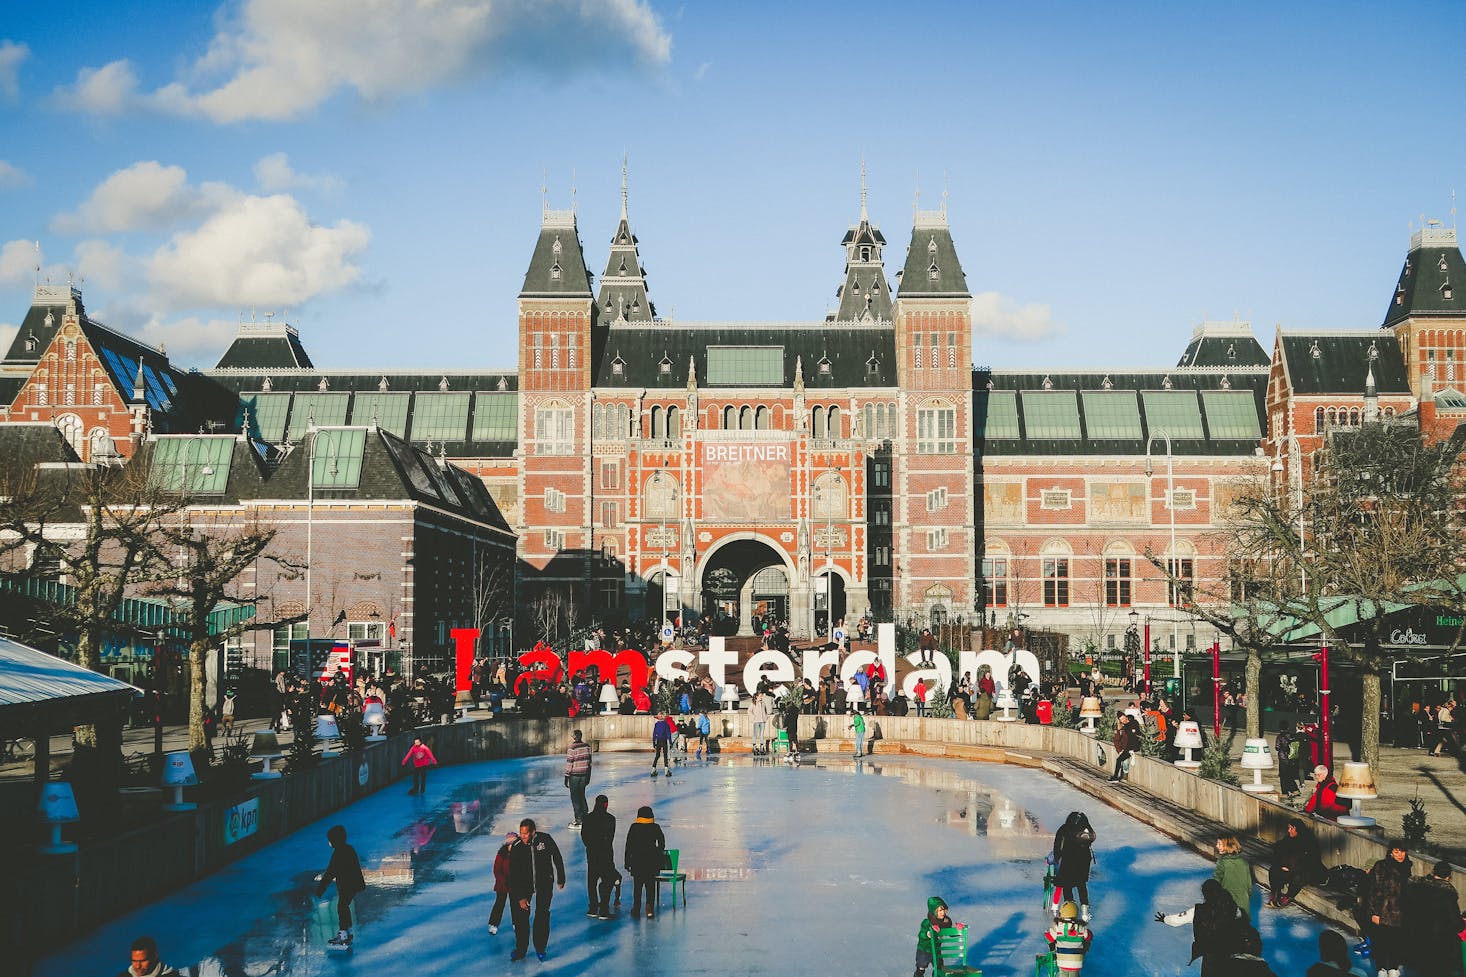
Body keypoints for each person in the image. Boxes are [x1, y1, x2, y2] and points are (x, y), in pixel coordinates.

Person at [1156, 878, 1246, 977]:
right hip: (1231, 952)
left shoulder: (1198, 911)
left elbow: (1176, 920)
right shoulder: (1233, 908)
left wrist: (1165, 919)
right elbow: (1241, 924)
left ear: (1205, 894)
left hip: (1211, 955)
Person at [506, 818, 565, 962]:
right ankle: (521, 949)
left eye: (526, 833)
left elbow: (557, 856)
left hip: (544, 883)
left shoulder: (545, 840)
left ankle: (540, 947)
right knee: (521, 919)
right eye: (521, 833)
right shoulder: (517, 846)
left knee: (542, 915)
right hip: (524, 886)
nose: (523, 836)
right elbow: (513, 875)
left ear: (533, 832)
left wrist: (561, 877)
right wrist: (520, 897)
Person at [1403, 860, 1464, 977]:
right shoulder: (1447, 894)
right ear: (1449, 876)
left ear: (1433, 872)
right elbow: (1457, 923)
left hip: (1417, 939)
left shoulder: (1416, 887)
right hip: (1439, 944)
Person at [1360, 842, 1412, 977]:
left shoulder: (1406, 867)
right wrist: (1374, 913)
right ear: (1390, 853)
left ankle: (1394, 967)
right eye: (1396, 852)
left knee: (1396, 941)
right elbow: (1373, 891)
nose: (1400, 855)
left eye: (1402, 851)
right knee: (1381, 941)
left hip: (1400, 912)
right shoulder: (1381, 866)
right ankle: (1381, 968)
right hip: (1383, 911)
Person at [316, 824, 365, 948]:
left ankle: (343, 935)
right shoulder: (349, 848)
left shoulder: (338, 853)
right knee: (344, 906)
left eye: (330, 840)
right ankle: (347, 932)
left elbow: (330, 872)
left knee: (341, 907)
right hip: (353, 884)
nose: (329, 843)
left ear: (334, 841)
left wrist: (321, 889)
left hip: (347, 885)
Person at [1051, 811, 1097, 921]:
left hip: (1068, 859)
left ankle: (1070, 910)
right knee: (1081, 885)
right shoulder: (1085, 830)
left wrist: (1057, 858)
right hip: (1084, 861)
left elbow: (1057, 845)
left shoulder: (1064, 829)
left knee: (1067, 886)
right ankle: (1085, 912)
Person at [624, 804, 666, 919]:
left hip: (637, 862)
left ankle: (636, 908)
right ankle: (649, 908)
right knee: (650, 886)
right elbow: (662, 843)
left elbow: (628, 846)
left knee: (637, 886)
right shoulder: (655, 827)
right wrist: (657, 851)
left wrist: (627, 862)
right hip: (651, 862)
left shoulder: (634, 827)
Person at [581, 795, 620, 919]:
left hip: (592, 855)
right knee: (607, 882)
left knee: (591, 882)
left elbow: (584, 836)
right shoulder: (610, 819)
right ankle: (603, 909)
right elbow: (610, 838)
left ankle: (592, 908)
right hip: (606, 855)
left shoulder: (587, 818)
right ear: (606, 805)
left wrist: (591, 846)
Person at [1267, 818, 1321, 907]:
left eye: (1291, 828)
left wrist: (1291, 869)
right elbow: (1277, 848)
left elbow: (1310, 862)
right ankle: (1275, 893)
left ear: (1298, 829)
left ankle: (1288, 896)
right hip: (1288, 867)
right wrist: (1281, 865)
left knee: (1298, 878)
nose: (1289, 831)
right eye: (1289, 828)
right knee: (1274, 870)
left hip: (1304, 870)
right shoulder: (1289, 838)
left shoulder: (1308, 841)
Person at [914, 895, 963, 977]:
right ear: (934, 911)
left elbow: (949, 933)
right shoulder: (927, 922)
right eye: (939, 911)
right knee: (921, 968)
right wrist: (928, 933)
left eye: (943, 910)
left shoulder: (945, 922)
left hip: (936, 951)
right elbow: (922, 934)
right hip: (924, 950)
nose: (942, 913)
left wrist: (958, 930)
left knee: (939, 968)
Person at [1212, 834, 1252, 920]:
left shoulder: (1222, 863)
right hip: (1243, 905)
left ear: (1227, 846)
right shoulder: (1244, 863)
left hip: (1227, 904)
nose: (1216, 846)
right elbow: (1249, 887)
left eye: (1219, 844)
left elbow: (1215, 883)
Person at [1045, 901, 1093, 974]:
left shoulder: (1058, 927)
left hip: (1062, 960)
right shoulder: (1081, 928)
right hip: (1077, 961)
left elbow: (1049, 938)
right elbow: (1088, 937)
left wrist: (1051, 944)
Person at [1304, 929, 1370, 977]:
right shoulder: (1360, 974)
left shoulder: (1315, 971)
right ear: (1344, 949)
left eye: (1320, 946)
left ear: (1323, 950)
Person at [488, 831, 516, 935]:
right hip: (502, 884)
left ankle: (516, 923)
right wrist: (503, 880)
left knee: (515, 905)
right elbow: (497, 869)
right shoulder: (501, 854)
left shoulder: (520, 854)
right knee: (499, 904)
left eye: (514, 843)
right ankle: (493, 924)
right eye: (510, 843)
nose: (512, 845)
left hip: (515, 884)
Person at [564, 729, 592, 828]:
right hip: (584, 774)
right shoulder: (587, 746)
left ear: (574, 737)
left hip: (575, 775)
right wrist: (588, 775)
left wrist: (566, 777)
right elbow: (589, 762)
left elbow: (569, 763)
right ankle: (586, 817)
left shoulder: (572, 748)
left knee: (575, 798)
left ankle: (578, 820)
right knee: (582, 795)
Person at [1108, 714, 1141, 783]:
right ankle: (1116, 776)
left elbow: (1135, 735)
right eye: (1121, 720)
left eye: (1123, 718)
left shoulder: (1132, 723)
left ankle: (1117, 777)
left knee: (1120, 760)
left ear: (1126, 717)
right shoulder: (1123, 727)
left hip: (1132, 747)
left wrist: (1131, 749)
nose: (1123, 720)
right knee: (1119, 760)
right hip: (1128, 747)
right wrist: (1120, 750)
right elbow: (1117, 739)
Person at [750, 691, 770, 756]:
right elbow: (749, 711)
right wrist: (753, 717)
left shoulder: (763, 703)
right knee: (755, 734)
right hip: (756, 720)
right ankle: (754, 746)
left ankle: (761, 746)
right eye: (760, 696)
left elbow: (765, 711)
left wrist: (766, 716)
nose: (761, 697)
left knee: (761, 734)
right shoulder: (753, 703)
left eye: (761, 696)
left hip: (762, 720)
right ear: (757, 696)